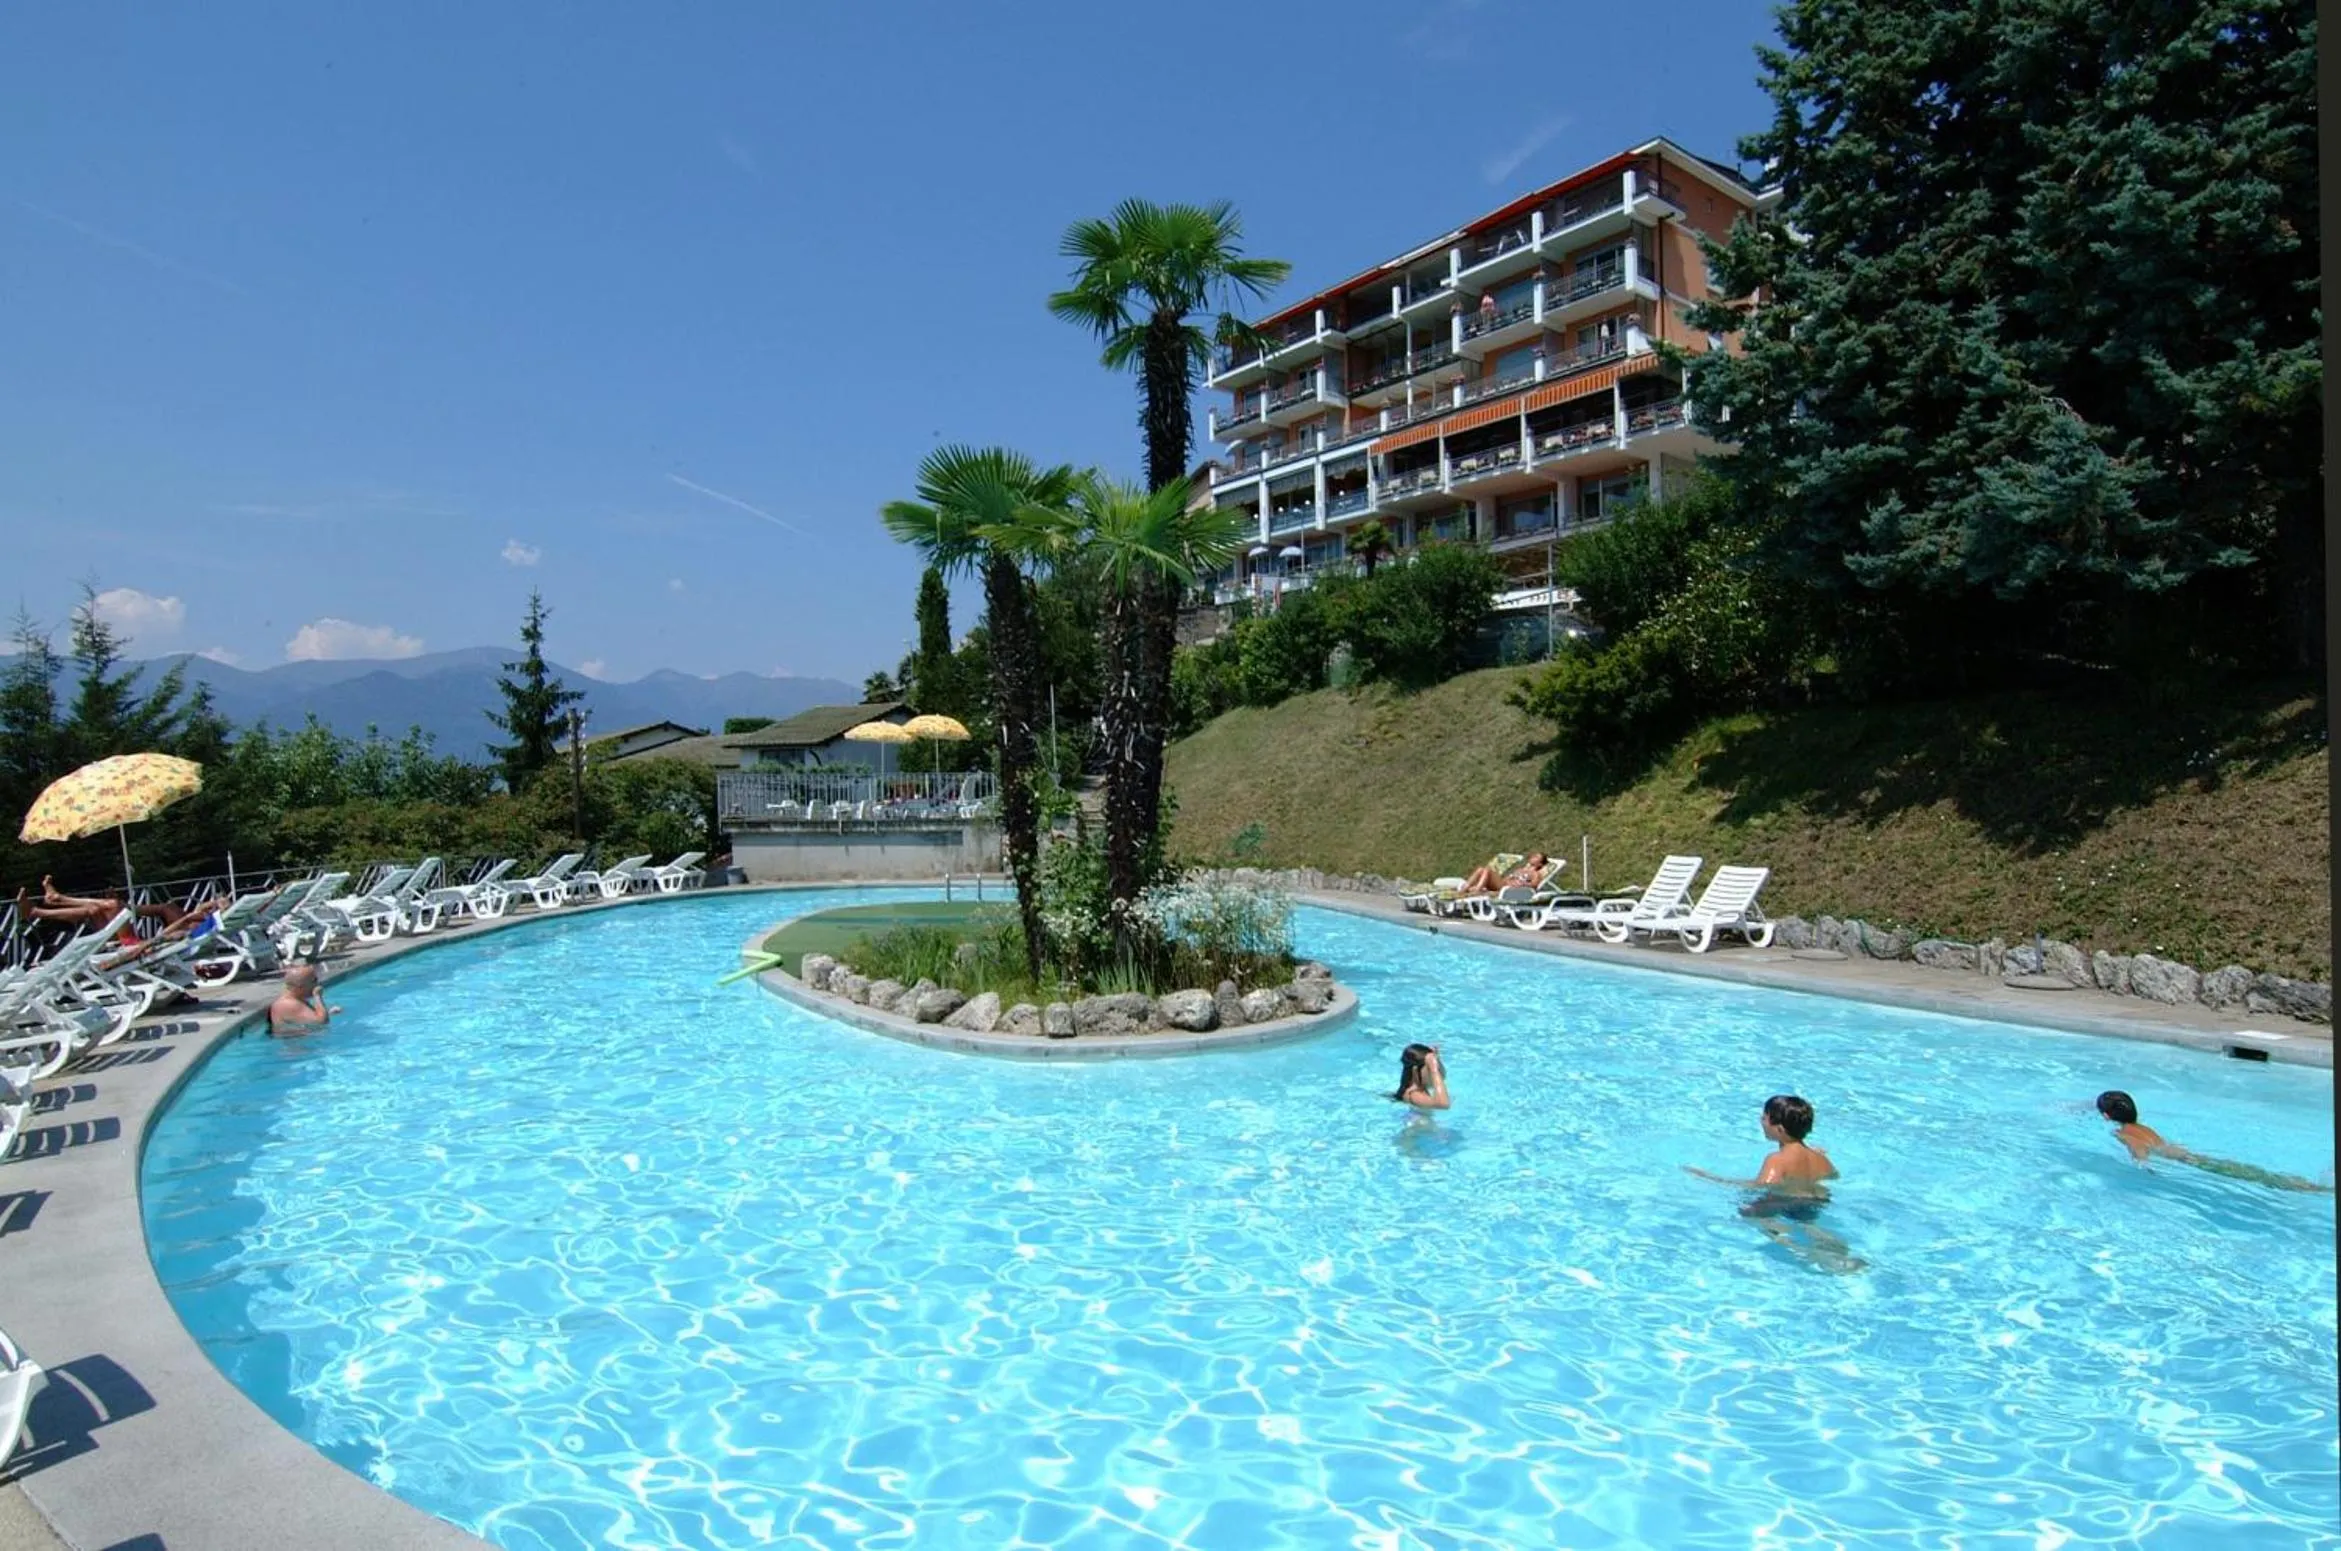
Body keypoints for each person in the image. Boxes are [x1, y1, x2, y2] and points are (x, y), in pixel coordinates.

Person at [1687, 1094, 1864, 1273]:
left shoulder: (1776, 1160)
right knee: (1809, 1225)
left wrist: (1712, 1178)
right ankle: (1837, 1252)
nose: (1761, 1121)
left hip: (1787, 1201)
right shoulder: (1819, 1157)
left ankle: (1799, 1250)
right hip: (1819, 1200)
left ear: (1779, 1129)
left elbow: (1760, 1186)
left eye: (1765, 1118)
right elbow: (1833, 1176)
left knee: (1750, 1213)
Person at [2095, 1090, 2331, 1192]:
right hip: (2183, 1154)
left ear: (2106, 1117)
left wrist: (2144, 1169)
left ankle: (2305, 1187)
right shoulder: (2142, 1126)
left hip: (2184, 1161)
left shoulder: (2124, 1133)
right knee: (2240, 1171)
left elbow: (2139, 1152)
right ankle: (2300, 1184)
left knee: (2241, 1175)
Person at [268, 963, 342, 1038]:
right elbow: (322, 1022)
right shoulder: (288, 1004)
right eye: (314, 981)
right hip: (297, 1047)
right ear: (300, 987)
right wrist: (317, 996)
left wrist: (328, 1013)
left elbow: (307, 1019)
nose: (317, 984)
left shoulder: (296, 999)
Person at [1458, 852, 1547, 898]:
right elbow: (1507, 878)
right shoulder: (1521, 869)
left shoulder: (1536, 874)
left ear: (1540, 864)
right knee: (1481, 869)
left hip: (1509, 890)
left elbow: (1534, 885)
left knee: (1487, 870)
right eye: (1534, 855)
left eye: (1536, 857)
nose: (1533, 856)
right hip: (1503, 885)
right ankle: (1465, 889)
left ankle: (1475, 891)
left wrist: (1523, 884)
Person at [1390, 1043, 1449, 1110]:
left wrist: (1437, 1060)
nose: (1437, 1074)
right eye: (1429, 1068)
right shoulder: (1413, 1094)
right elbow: (1443, 1104)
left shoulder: (1417, 1090)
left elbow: (1442, 1076)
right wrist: (1434, 1070)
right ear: (1415, 1071)